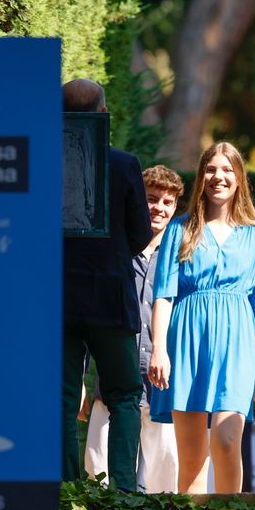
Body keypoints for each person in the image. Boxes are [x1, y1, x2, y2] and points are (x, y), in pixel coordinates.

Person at [148, 142, 255, 493]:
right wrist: (159, 348)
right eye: (211, 169)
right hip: (187, 344)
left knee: (225, 443)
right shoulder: (180, 229)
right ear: (201, 176)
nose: (218, 177)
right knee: (191, 459)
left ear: (239, 178)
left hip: (237, 347)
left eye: (226, 170)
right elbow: (163, 295)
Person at [62, 79, 152, 490]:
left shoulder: (41, 162)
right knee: (124, 394)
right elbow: (139, 236)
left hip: (58, 298)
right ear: (103, 114)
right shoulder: (123, 163)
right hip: (111, 297)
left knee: (60, 397)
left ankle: (63, 489)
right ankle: (124, 492)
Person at [84, 165, 184, 492]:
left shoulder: (182, 257)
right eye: (152, 199)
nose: (159, 208)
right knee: (98, 471)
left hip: (164, 382)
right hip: (112, 378)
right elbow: (90, 312)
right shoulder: (115, 250)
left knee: (162, 477)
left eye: (168, 202)